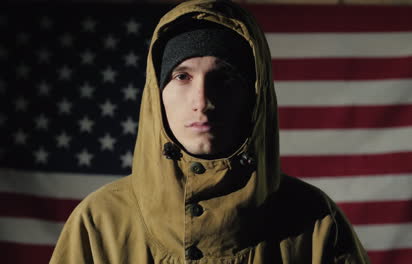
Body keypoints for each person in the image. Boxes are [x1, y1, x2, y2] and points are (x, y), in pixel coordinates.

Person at [50, 0, 370, 263]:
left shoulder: (316, 223)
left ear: (254, 96)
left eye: (225, 77)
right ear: (156, 93)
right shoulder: (98, 224)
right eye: (182, 77)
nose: (202, 101)